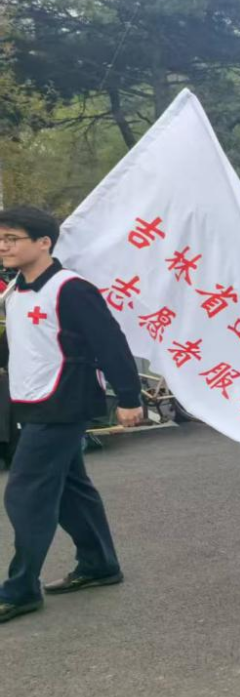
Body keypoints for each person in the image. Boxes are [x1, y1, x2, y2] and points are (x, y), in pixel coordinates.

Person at [0, 207, 143, 624]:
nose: (3, 246)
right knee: (69, 489)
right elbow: (22, 346)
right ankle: (100, 565)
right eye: (0, 239)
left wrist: (130, 397)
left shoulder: (71, 289)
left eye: (12, 238)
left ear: (43, 242)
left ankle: (21, 590)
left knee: (25, 493)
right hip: (31, 401)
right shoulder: (15, 291)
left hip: (63, 403)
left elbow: (110, 341)